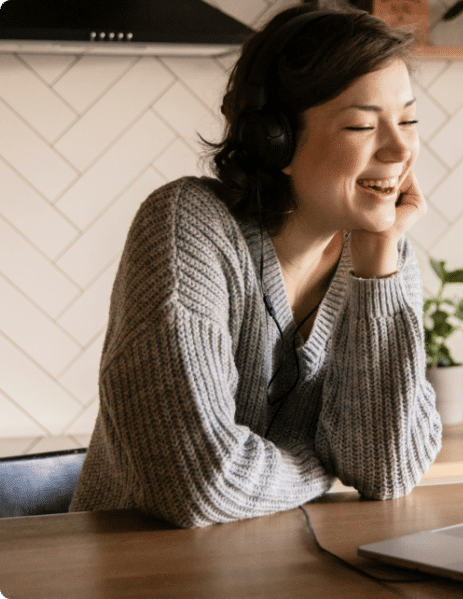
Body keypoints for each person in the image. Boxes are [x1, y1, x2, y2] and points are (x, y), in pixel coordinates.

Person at [69, 4, 442, 528]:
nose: (400, 149)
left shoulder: (383, 259)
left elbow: (386, 472)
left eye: (408, 120)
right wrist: (319, 464)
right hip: (134, 574)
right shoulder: (187, 227)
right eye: (362, 125)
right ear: (275, 141)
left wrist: (379, 269)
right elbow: (198, 483)